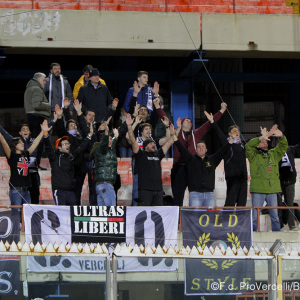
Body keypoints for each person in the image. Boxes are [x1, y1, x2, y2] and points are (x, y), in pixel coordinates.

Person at [154, 100, 227, 206]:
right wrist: (157, 107)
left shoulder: (196, 133)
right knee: (178, 197)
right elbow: (166, 119)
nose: (188, 121)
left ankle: (194, 216)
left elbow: (209, 123)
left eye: (190, 120)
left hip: (194, 168)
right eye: (186, 120)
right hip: (179, 167)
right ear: (181, 123)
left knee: (196, 193)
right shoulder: (176, 132)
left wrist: (222, 110)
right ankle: (178, 221)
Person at [174, 112, 234, 207]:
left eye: (203, 147)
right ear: (196, 150)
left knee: (210, 219)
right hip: (195, 194)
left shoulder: (212, 159)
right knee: (195, 217)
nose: (201, 148)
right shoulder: (191, 159)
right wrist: (175, 137)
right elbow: (181, 149)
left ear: (206, 150)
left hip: (210, 195)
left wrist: (230, 141)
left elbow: (222, 151)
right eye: (198, 147)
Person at [245, 125, 288, 232]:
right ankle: (254, 235)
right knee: (255, 216)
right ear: (258, 145)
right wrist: (261, 137)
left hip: (272, 191)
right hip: (258, 190)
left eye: (266, 142)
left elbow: (283, 147)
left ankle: (276, 235)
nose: (265, 143)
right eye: (262, 142)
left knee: (275, 217)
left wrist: (282, 136)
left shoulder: (274, 154)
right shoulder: (253, 155)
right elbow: (248, 146)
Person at [126, 114, 175, 206]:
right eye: (146, 129)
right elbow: (129, 138)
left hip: (154, 174)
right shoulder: (137, 140)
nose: (149, 131)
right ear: (141, 132)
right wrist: (132, 124)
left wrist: (167, 127)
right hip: (139, 171)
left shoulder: (154, 142)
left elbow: (168, 140)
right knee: (138, 195)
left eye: (150, 129)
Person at [0, 120, 50, 208]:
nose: (23, 143)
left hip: (27, 190)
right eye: (20, 143)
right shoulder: (11, 156)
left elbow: (35, 143)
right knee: (16, 213)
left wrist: (43, 131)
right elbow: (4, 142)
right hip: (16, 190)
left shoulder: (26, 154)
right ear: (15, 145)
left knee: (27, 214)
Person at [44, 121, 93, 206]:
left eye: (68, 143)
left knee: (73, 214)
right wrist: (45, 134)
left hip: (71, 191)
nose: (68, 145)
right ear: (59, 147)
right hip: (59, 191)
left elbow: (81, 148)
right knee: (61, 214)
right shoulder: (54, 157)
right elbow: (48, 147)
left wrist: (90, 135)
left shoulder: (71, 157)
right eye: (65, 144)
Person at [54, 100, 91, 205]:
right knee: (70, 192)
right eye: (71, 125)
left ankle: (76, 211)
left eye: (75, 125)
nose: (74, 126)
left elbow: (85, 130)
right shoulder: (66, 137)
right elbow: (60, 129)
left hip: (80, 169)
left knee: (78, 192)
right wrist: (61, 116)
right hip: (70, 169)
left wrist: (79, 112)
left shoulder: (80, 137)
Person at [209, 121, 248, 207]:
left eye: (238, 131)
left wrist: (261, 136)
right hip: (232, 177)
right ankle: (226, 219)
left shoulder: (243, 144)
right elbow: (219, 133)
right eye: (234, 130)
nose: (236, 132)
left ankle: (240, 220)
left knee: (242, 203)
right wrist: (212, 122)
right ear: (229, 134)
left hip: (243, 178)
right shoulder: (226, 143)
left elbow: (253, 142)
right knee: (230, 201)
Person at [24, 72, 51, 170]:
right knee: (38, 142)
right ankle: (35, 164)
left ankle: (33, 164)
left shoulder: (30, 88)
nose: (44, 82)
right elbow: (37, 104)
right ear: (38, 79)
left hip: (32, 117)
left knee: (33, 141)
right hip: (37, 117)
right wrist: (49, 105)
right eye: (43, 80)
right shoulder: (36, 89)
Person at [91, 122, 118, 206]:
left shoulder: (107, 151)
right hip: (106, 185)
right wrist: (106, 132)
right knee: (111, 212)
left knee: (103, 215)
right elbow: (104, 145)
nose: (110, 140)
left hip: (102, 185)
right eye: (108, 139)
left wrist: (116, 137)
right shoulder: (101, 150)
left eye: (111, 138)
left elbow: (112, 144)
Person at [278, 142, 300, 230]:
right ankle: (279, 225)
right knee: (278, 204)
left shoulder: (291, 149)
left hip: (290, 180)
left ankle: (291, 225)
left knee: (290, 203)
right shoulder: (275, 150)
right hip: (278, 180)